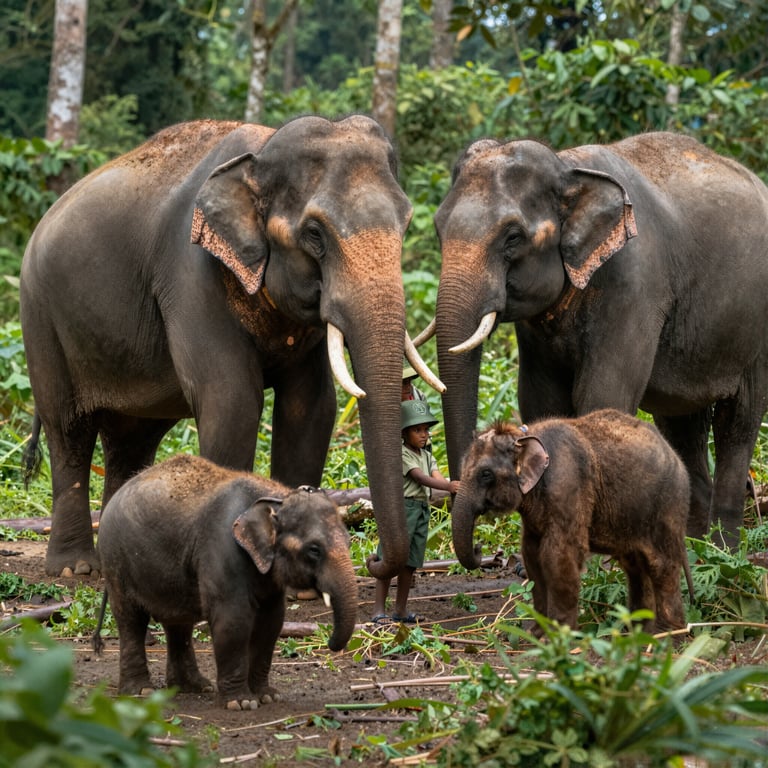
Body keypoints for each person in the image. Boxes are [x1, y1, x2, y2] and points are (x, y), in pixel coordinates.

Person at [370, 399, 460, 625]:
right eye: (417, 430)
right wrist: (448, 487)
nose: (423, 435)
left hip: (421, 509)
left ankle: (400, 610)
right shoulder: (402, 454)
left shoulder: (427, 454)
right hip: (404, 508)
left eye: (426, 430)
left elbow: (436, 475)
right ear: (404, 432)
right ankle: (378, 610)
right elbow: (420, 477)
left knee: (410, 562)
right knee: (390, 558)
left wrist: (453, 484)